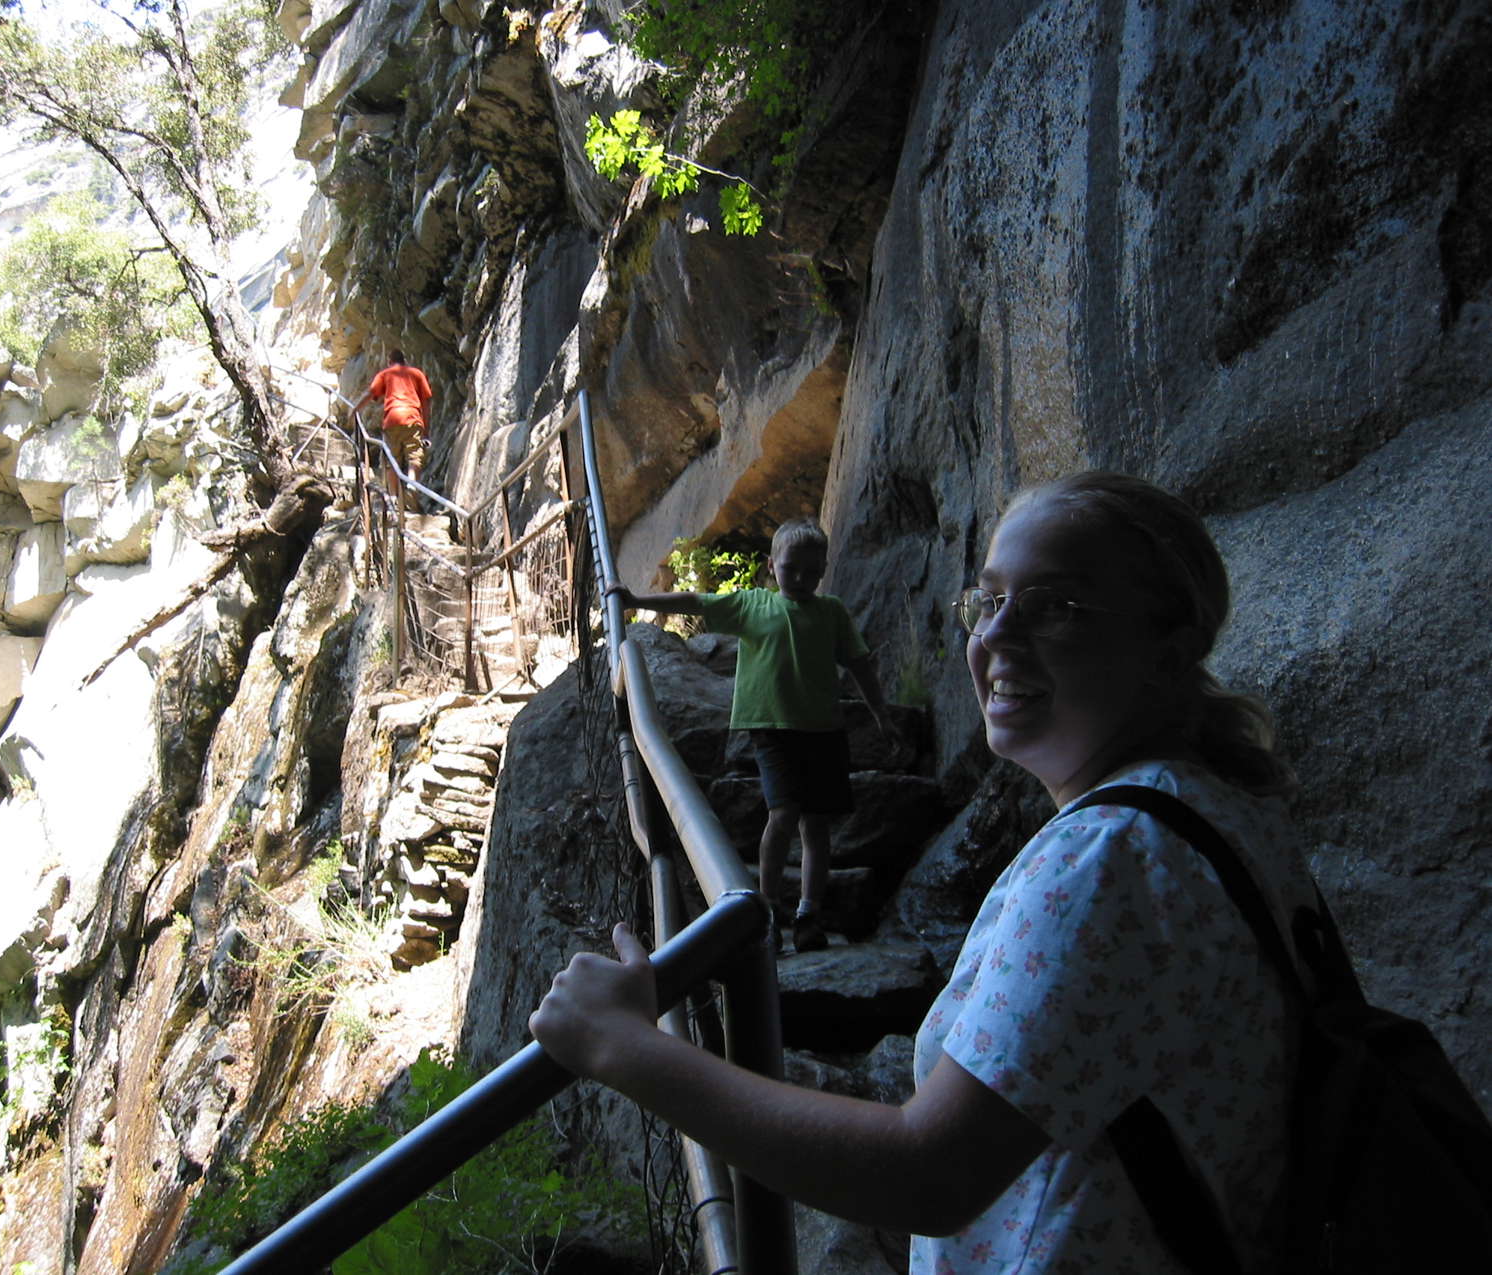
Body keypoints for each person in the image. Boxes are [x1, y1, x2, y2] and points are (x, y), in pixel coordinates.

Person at [533, 471, 1316, 1273]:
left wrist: (624, 1047)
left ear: (1166, 651)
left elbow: (931, 1171)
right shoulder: (1216, 805)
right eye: (990, 599)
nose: (997, 633)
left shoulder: (1109, 858)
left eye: (1054, 605)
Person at [606, 517, 899, 951]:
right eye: (791, 568)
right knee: (782, 815)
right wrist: (636, 599)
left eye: (811, 571)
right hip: (772, 733)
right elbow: (696, 601)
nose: (800, 578)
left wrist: (881, 715)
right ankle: (768, 910)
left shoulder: (832, 612)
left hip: (823, 732)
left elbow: (859, 664)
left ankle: (809, 914)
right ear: (771, 565)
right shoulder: (752, 605)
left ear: (823, 570)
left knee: (816, 826)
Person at [365, 349, 433, 507]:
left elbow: (371, 394)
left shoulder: (385, 374)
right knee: (414, 456)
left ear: (389, 362)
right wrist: (426, 430)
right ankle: (412, 486)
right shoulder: (416, 374)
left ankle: (393, 497)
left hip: (392, 419)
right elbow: (426, 402)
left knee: (392, 459)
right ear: (404, 361)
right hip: (412, 418)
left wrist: (355, 409)